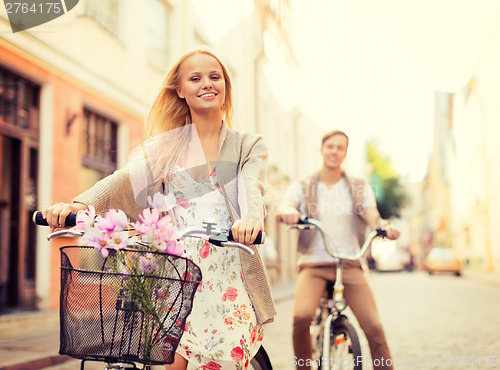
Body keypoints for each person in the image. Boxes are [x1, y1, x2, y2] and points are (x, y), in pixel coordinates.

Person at [42, 49, 276, 370]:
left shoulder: (247, 145)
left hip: (228, 280)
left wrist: (250, 220)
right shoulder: (165, 148)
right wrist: (80, 205)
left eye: (214, 77)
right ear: (180, 90)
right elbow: (122, 181)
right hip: (175, 277)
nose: (207, 84)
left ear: (226, 86)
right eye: (195, 78)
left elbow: (253, 187)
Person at [277, 130, 399, 370]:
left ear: (345, 153)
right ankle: (303, 367)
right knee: (301, 317)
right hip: (313, 265)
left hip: (349, 264)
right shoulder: (303, 186)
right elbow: (287, 204)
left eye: (340, 147)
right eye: (330, 146)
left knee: (373, 325)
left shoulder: (357, 187)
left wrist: (383, 226)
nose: (334, 151)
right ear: (322, 149)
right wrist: (288, 212)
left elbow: (372, 215)